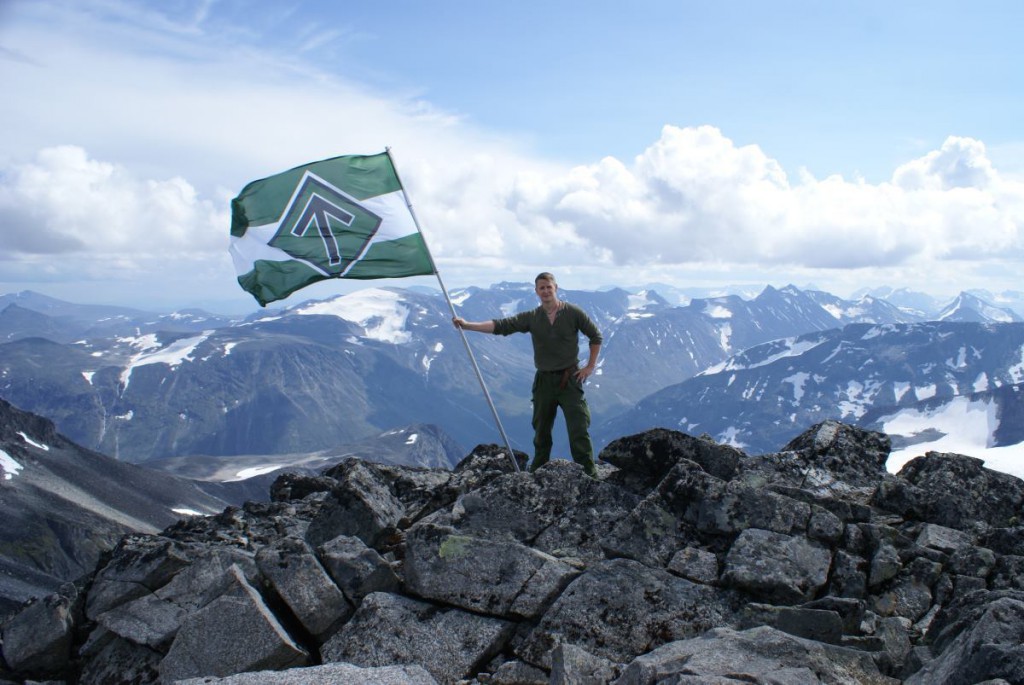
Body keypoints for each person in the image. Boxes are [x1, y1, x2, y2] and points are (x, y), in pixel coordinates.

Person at [453, 272, 603, 477]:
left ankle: (589, 476)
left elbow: (596, 336)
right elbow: (502, 325)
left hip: (569, 379)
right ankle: (537, 474)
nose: (546, 291)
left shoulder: (573, 313)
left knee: (579, 428)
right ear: (536, 291)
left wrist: (590, 366)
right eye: (542, 288)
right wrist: (468, 325)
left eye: (549, 287)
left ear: (556, 288)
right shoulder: (532, 317)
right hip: (544, 381)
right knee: (541, 432)